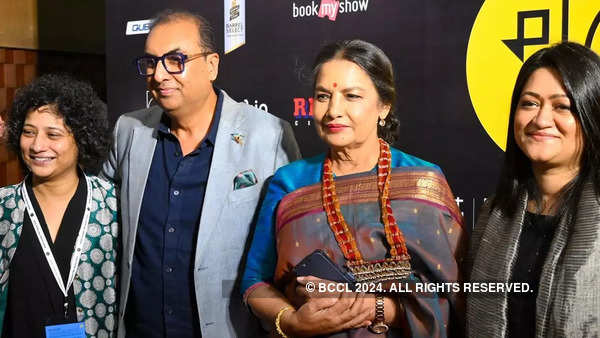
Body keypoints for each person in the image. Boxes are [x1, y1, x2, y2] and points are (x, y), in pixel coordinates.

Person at [242, 40, 466, 337]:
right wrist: (291, 322)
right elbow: (255, 283)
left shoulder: (424, 181)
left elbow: (459, 292)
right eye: (323, 96)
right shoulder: (290, 183)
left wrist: (380, 308)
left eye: (352, 96)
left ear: (383, 106)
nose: (334, 110)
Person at [101, 9, 300, 338]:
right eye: (151, 62)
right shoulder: (129, 131)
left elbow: (290, 243)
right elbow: (100, 215)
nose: (160, 75)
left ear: (212, 65)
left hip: (229, 328)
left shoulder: (267, 134)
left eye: (175, 59)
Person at [467, 42, 600, 337]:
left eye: (562, 106)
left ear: (592, 116)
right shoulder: (496, 212)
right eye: (529, 103)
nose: (540, 120)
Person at [0, 74, 118, 337]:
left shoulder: (111, 204)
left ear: (82, 138)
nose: (37, 145)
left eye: (53, 134)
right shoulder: (4, 206)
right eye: (28, 132)